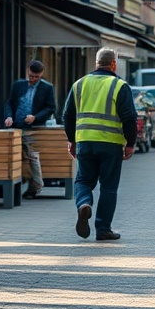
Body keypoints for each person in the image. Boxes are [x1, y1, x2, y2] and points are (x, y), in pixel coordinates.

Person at [63, 48, 137, 241]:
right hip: (111, 144)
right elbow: (129, 117)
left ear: (96, 63)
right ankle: (103, 229)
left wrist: (71, 139)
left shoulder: (79, 85)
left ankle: (84, 204)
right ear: (113, 64)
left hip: (85, 142)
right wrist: (130, 143)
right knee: (108, 187)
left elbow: (67, 115)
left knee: (83, 181)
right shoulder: (119, 86)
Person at [2, 59, 57, 199]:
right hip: (15, 125)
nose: (33, 79)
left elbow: (51, 107)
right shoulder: (18, 85)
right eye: (31, 76)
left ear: (42, 74)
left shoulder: (47, 87)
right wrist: (8, 117)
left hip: (32, 127)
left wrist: (35, 117)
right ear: (28, 71)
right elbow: (9, 102)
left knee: (32, 155)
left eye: (37, 77)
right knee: (10, 155)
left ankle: (37, 184)